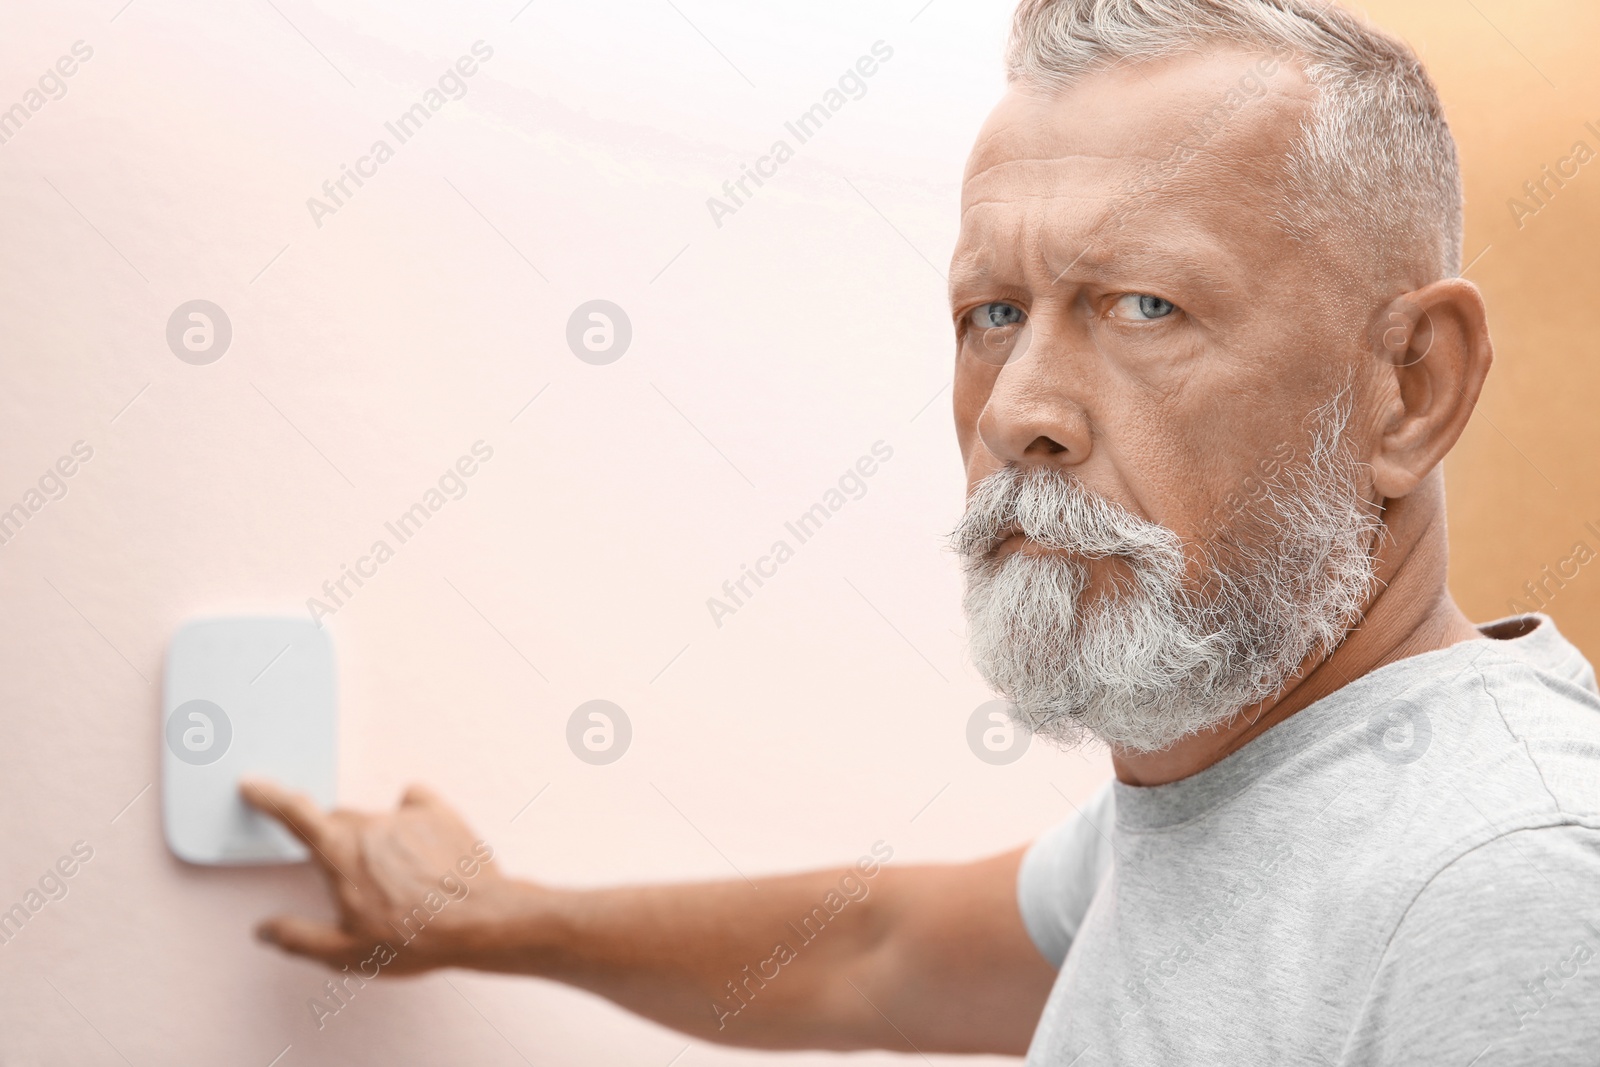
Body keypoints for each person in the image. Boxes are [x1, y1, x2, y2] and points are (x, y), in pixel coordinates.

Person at [245, 0, 1600, 1061]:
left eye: (1143, 307)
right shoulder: (1250, 786)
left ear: (1409, 387)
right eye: (992, 314)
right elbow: (875, 953)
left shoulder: (1503, 891)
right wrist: (496, 918)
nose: (1021, 411)